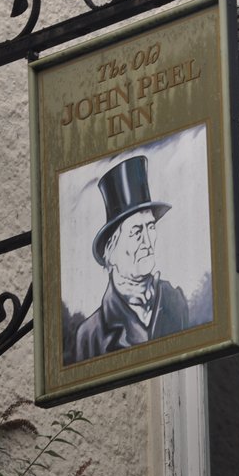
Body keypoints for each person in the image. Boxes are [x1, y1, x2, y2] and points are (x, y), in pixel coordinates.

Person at [71, 155, 189, 363]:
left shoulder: (174, 301)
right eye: (136, 231)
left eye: (150, 227)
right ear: (111, 252)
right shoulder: (89, 336)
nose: (148, 241)